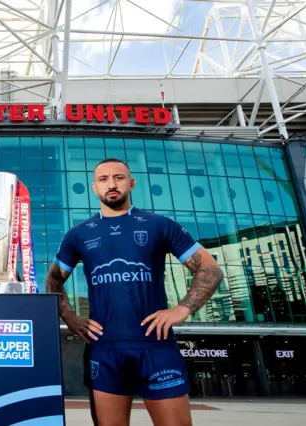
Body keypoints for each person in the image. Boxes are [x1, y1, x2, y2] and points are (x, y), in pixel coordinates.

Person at [45, 158, 224, 426]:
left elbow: (210, 268)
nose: (112, 184)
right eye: (104, 180)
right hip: (104, 348)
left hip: (156, 345)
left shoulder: (159, 225)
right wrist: (69, 316)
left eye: (118, 178)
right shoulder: (78, 234)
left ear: (131, 183)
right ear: (95, 188)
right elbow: (54, 280)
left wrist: (183, 308)